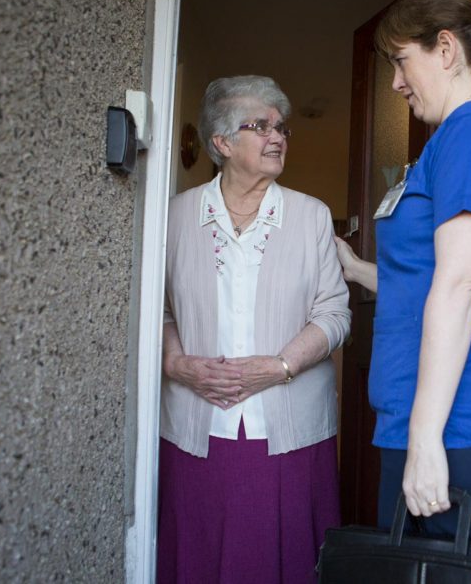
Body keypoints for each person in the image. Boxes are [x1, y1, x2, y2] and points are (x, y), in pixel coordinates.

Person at [335, 0, 471, 539]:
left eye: (402, 61)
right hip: (440, 416)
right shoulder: (456, 137)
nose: (397, 82)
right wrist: (357, 269)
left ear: (445, 49)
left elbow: (460, 286)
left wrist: (426, 439)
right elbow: (430, 280)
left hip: (457, 421)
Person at [158, 75, 350, 583]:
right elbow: (156, 311)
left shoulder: (310, 216)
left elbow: (334, 312)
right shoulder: (173, 218)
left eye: (282, 127)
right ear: (222, 143)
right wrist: (178, 365)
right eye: (260, 125)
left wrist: (279, 367)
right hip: (196, 429)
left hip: (290, 433)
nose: (278, 136)